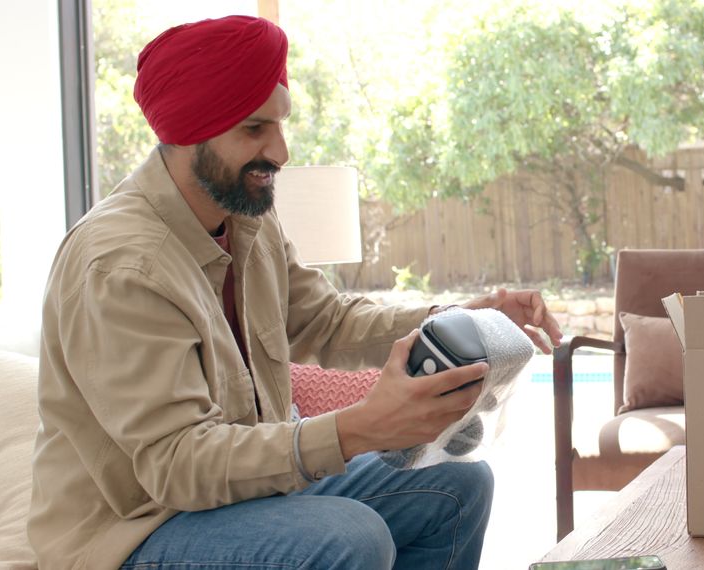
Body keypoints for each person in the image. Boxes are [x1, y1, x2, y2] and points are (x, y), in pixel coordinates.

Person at [28, 15, 562, 570]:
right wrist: (360, 428)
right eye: (254, 130)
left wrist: (459, 315)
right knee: (347, 535)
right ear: (191, 131)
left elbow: (325, 322)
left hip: (245, 496)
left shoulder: (243, 215)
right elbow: (177, 465)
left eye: (280, 125)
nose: (280, 152)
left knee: (456, 483)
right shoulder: (120, 266)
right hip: (136, 532)